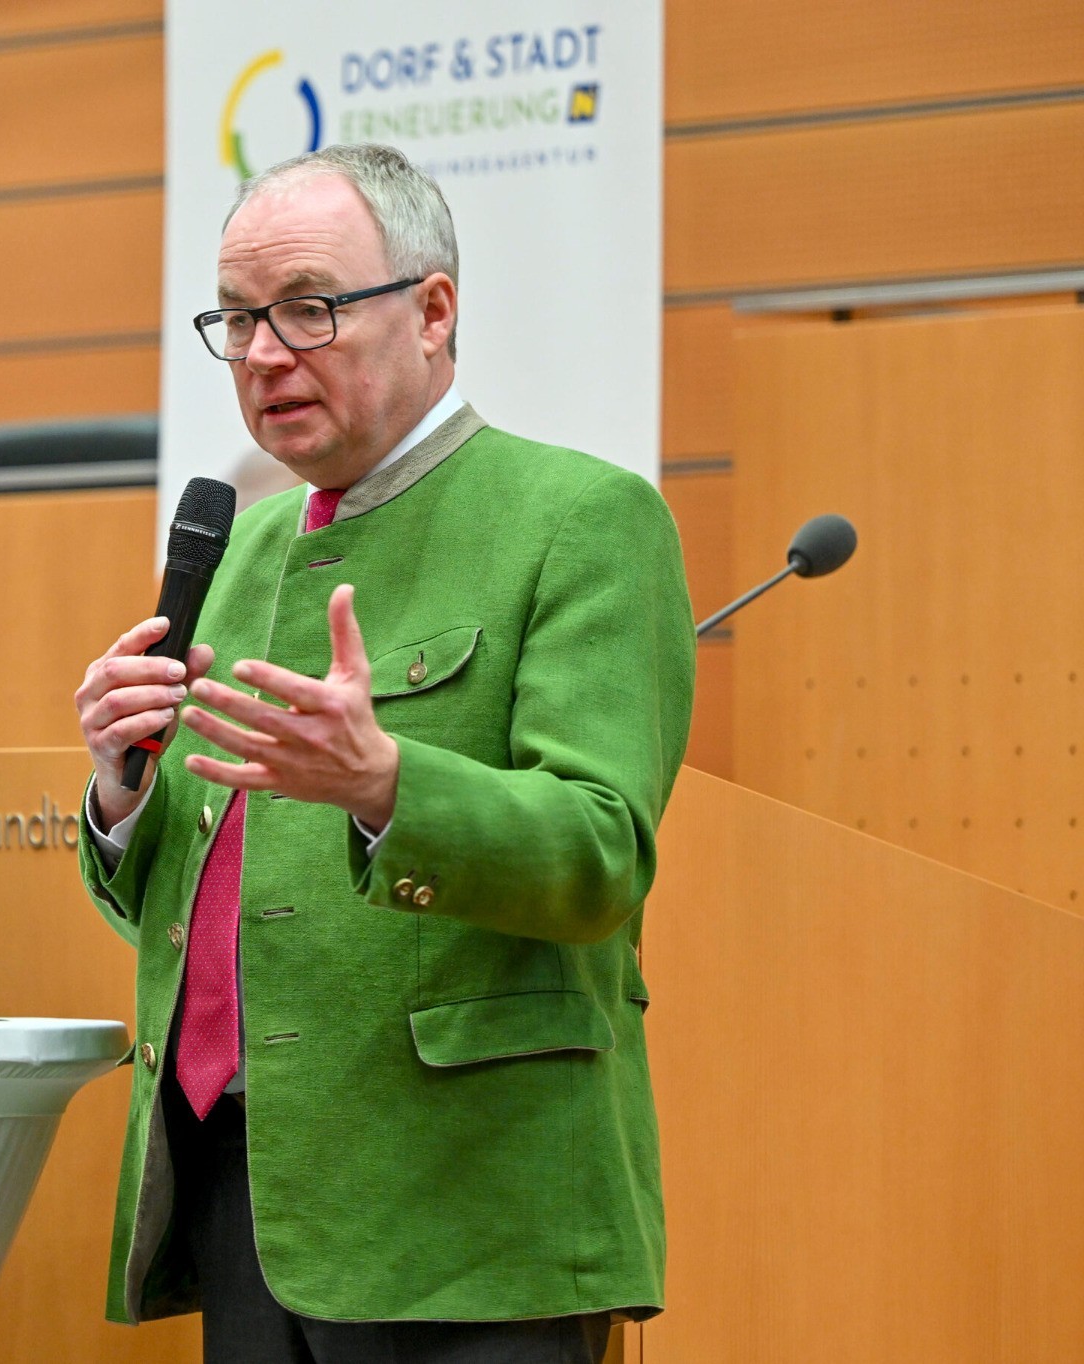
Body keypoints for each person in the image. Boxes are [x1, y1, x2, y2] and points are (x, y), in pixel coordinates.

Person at [74, 144, 694, 1364]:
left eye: (308, 307)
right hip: (248, 1189)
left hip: (468, 1207)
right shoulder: (242, 551)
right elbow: (192, 888)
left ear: (434, 310)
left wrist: (386, 786)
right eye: (239, 317)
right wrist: (115, 786)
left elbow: (601, 852)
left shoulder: (582, 518)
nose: (263, 352)